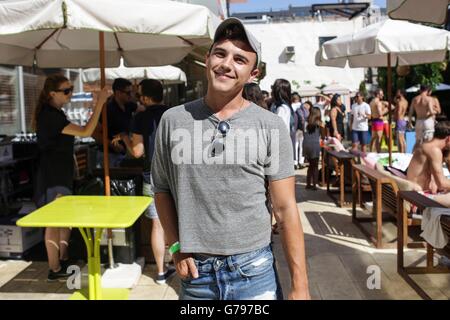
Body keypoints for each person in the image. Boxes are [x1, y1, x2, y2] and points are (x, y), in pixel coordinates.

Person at [152, 17, 310, 300]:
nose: (227, 64)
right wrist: (175, 246)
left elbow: (286, 209)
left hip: (254, 272)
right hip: (196, 276)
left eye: (240, 59)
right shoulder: (173, 121)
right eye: (220, 53)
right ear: (208, 58)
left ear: (253, 74)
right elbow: (161, 189)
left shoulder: (270, 125)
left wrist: (301, 287)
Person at [33, 74, 108, 281]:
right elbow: (86, 131)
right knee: (54, 223)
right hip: (53, 178)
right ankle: (54, 268)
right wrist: (99, 104)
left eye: (71, 89)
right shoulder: (51, 116)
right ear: (52, 94)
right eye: (66, 90)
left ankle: (62, 260)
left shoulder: (56, 114)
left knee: (64, 222)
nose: (70, 94)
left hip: (60, 175)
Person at [130, 79, 174, 284]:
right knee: (175, 221)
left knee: (157, 224)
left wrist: (124, 138)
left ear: (146, 97)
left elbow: (137, 152)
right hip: (175, 174)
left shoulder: (140, 118)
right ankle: (176, 260)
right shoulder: (174, 114)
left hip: (151, 175)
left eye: (139, 95)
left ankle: (160, 272)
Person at [94, 78, 144, 167]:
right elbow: (94, 133)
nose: (131, 95)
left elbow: (144, 109)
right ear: (118, 93)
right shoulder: (108, 110)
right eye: (128, 93)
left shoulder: (128, 105)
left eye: (132, 92)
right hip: (109, 155)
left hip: (123, 154)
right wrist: (112, 144)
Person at [407, 121, 450, 194]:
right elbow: (441, 184)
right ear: (448, 138)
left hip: (412, 194)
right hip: (418, 198)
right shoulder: (434, 150)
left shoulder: (425, 145)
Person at [271, 78, 297, 158]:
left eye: (273, 89)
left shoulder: (282, 109)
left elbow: (280, 130)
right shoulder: (285, 107)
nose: (271, 92)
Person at [303, 107, 325, 190]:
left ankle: (308, 184)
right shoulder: (320, 123)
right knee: (315, 166)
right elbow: (323, 136)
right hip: (314, 145)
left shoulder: (305, 122)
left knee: (310, 165)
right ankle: (314, 185)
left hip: (306, 144)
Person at [295, 100, 312, 170]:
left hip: (297, 129)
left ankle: (296, 162)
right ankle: (299, 162)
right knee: (300, 146)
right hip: (301, 130)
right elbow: (303, 120)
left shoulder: (298, 109)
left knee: (297, 146)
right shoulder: (304, 111)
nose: (308, 108)